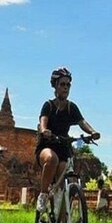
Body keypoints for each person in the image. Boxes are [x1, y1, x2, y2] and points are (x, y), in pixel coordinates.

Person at [34, 67, 100, 213]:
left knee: (64, 172)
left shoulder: (71, 107)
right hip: (47, 145)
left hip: (63, 147)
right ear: (55, 86)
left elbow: (82, 122)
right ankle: (43, 194)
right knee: (52, 159)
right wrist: (45, 130)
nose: (65, 88)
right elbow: (43, 120)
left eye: (68, 85)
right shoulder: (48, 105)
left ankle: (60, 209)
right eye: (62, 84)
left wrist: (92, 132)